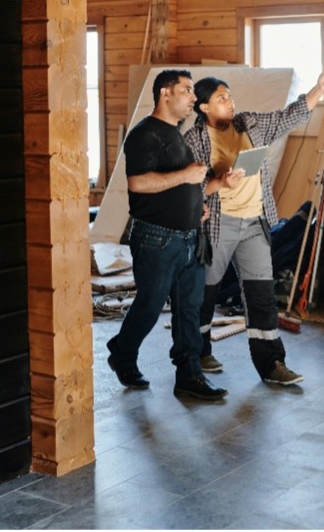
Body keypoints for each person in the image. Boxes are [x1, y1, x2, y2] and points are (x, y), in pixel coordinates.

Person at [184, 61, 324, 385]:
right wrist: (220, 181)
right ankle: (198, 351)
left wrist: (320, 88)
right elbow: (187, 186)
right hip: (218, 225)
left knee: (260, 295)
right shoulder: (194, 140)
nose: (229, 102)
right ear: (203, 107)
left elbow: (289, 116)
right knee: (205, 292)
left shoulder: (250, 124)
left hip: (254, 224)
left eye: (230, 96)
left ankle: (272, 364)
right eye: (221, 98)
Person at [106, 69, 228, 401]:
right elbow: (139, 183)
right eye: (187, 90)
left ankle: (189, 376)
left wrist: (197, 207)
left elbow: (181, 185)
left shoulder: (176, 134)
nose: (192, 97)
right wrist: (187, 176)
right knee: (149, 305)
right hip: (157, 239)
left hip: (190, 237)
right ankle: (122, 353)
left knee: (189, 308)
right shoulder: (145, 135)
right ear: (165, 93)